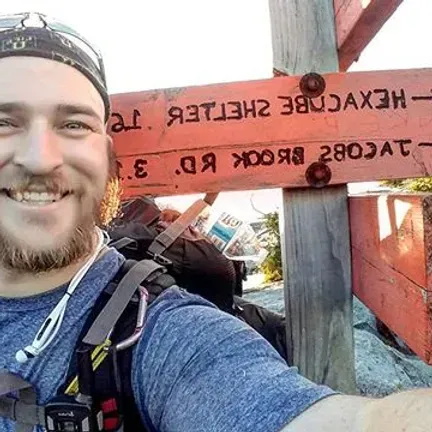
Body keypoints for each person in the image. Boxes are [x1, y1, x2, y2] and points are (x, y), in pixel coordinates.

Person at [0, 11, 431, 432]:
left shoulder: (165, 335)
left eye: (74, 124)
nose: (40, 157)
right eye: (3, 122)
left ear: (108, 156)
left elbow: (327, 418)